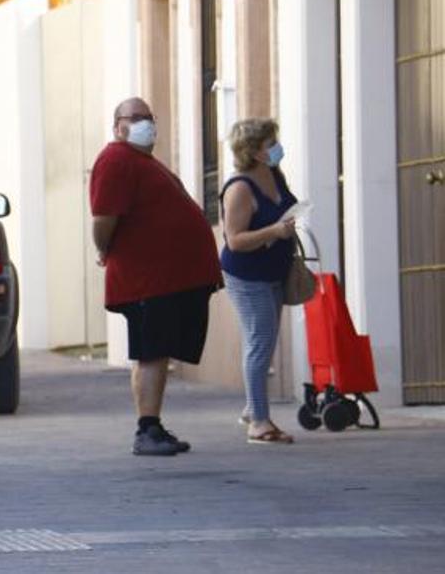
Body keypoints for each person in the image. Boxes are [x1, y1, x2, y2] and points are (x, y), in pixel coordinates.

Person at [90, 97, 223, 456]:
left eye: (149, 117)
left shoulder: (141, 162)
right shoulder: (115, 159)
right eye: (135, 118)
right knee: (151, 353)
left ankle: (153, 425)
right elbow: (103, 219)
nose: (145, 123)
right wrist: (104, 249)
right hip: (148, 279)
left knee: (158, 352)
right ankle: (146, 429)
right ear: (118, 125)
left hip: (166, 278)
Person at [220, 118, 299, 445]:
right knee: (260, 341)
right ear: (252, 150)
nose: (276, 147)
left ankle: (253, 408)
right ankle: (260, 423)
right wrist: (274, 232)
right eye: (270, 143)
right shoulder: (239, 187)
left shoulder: (274, 175)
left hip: (274, 270)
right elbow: (235, 239)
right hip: (247, 274)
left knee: (265, 341)